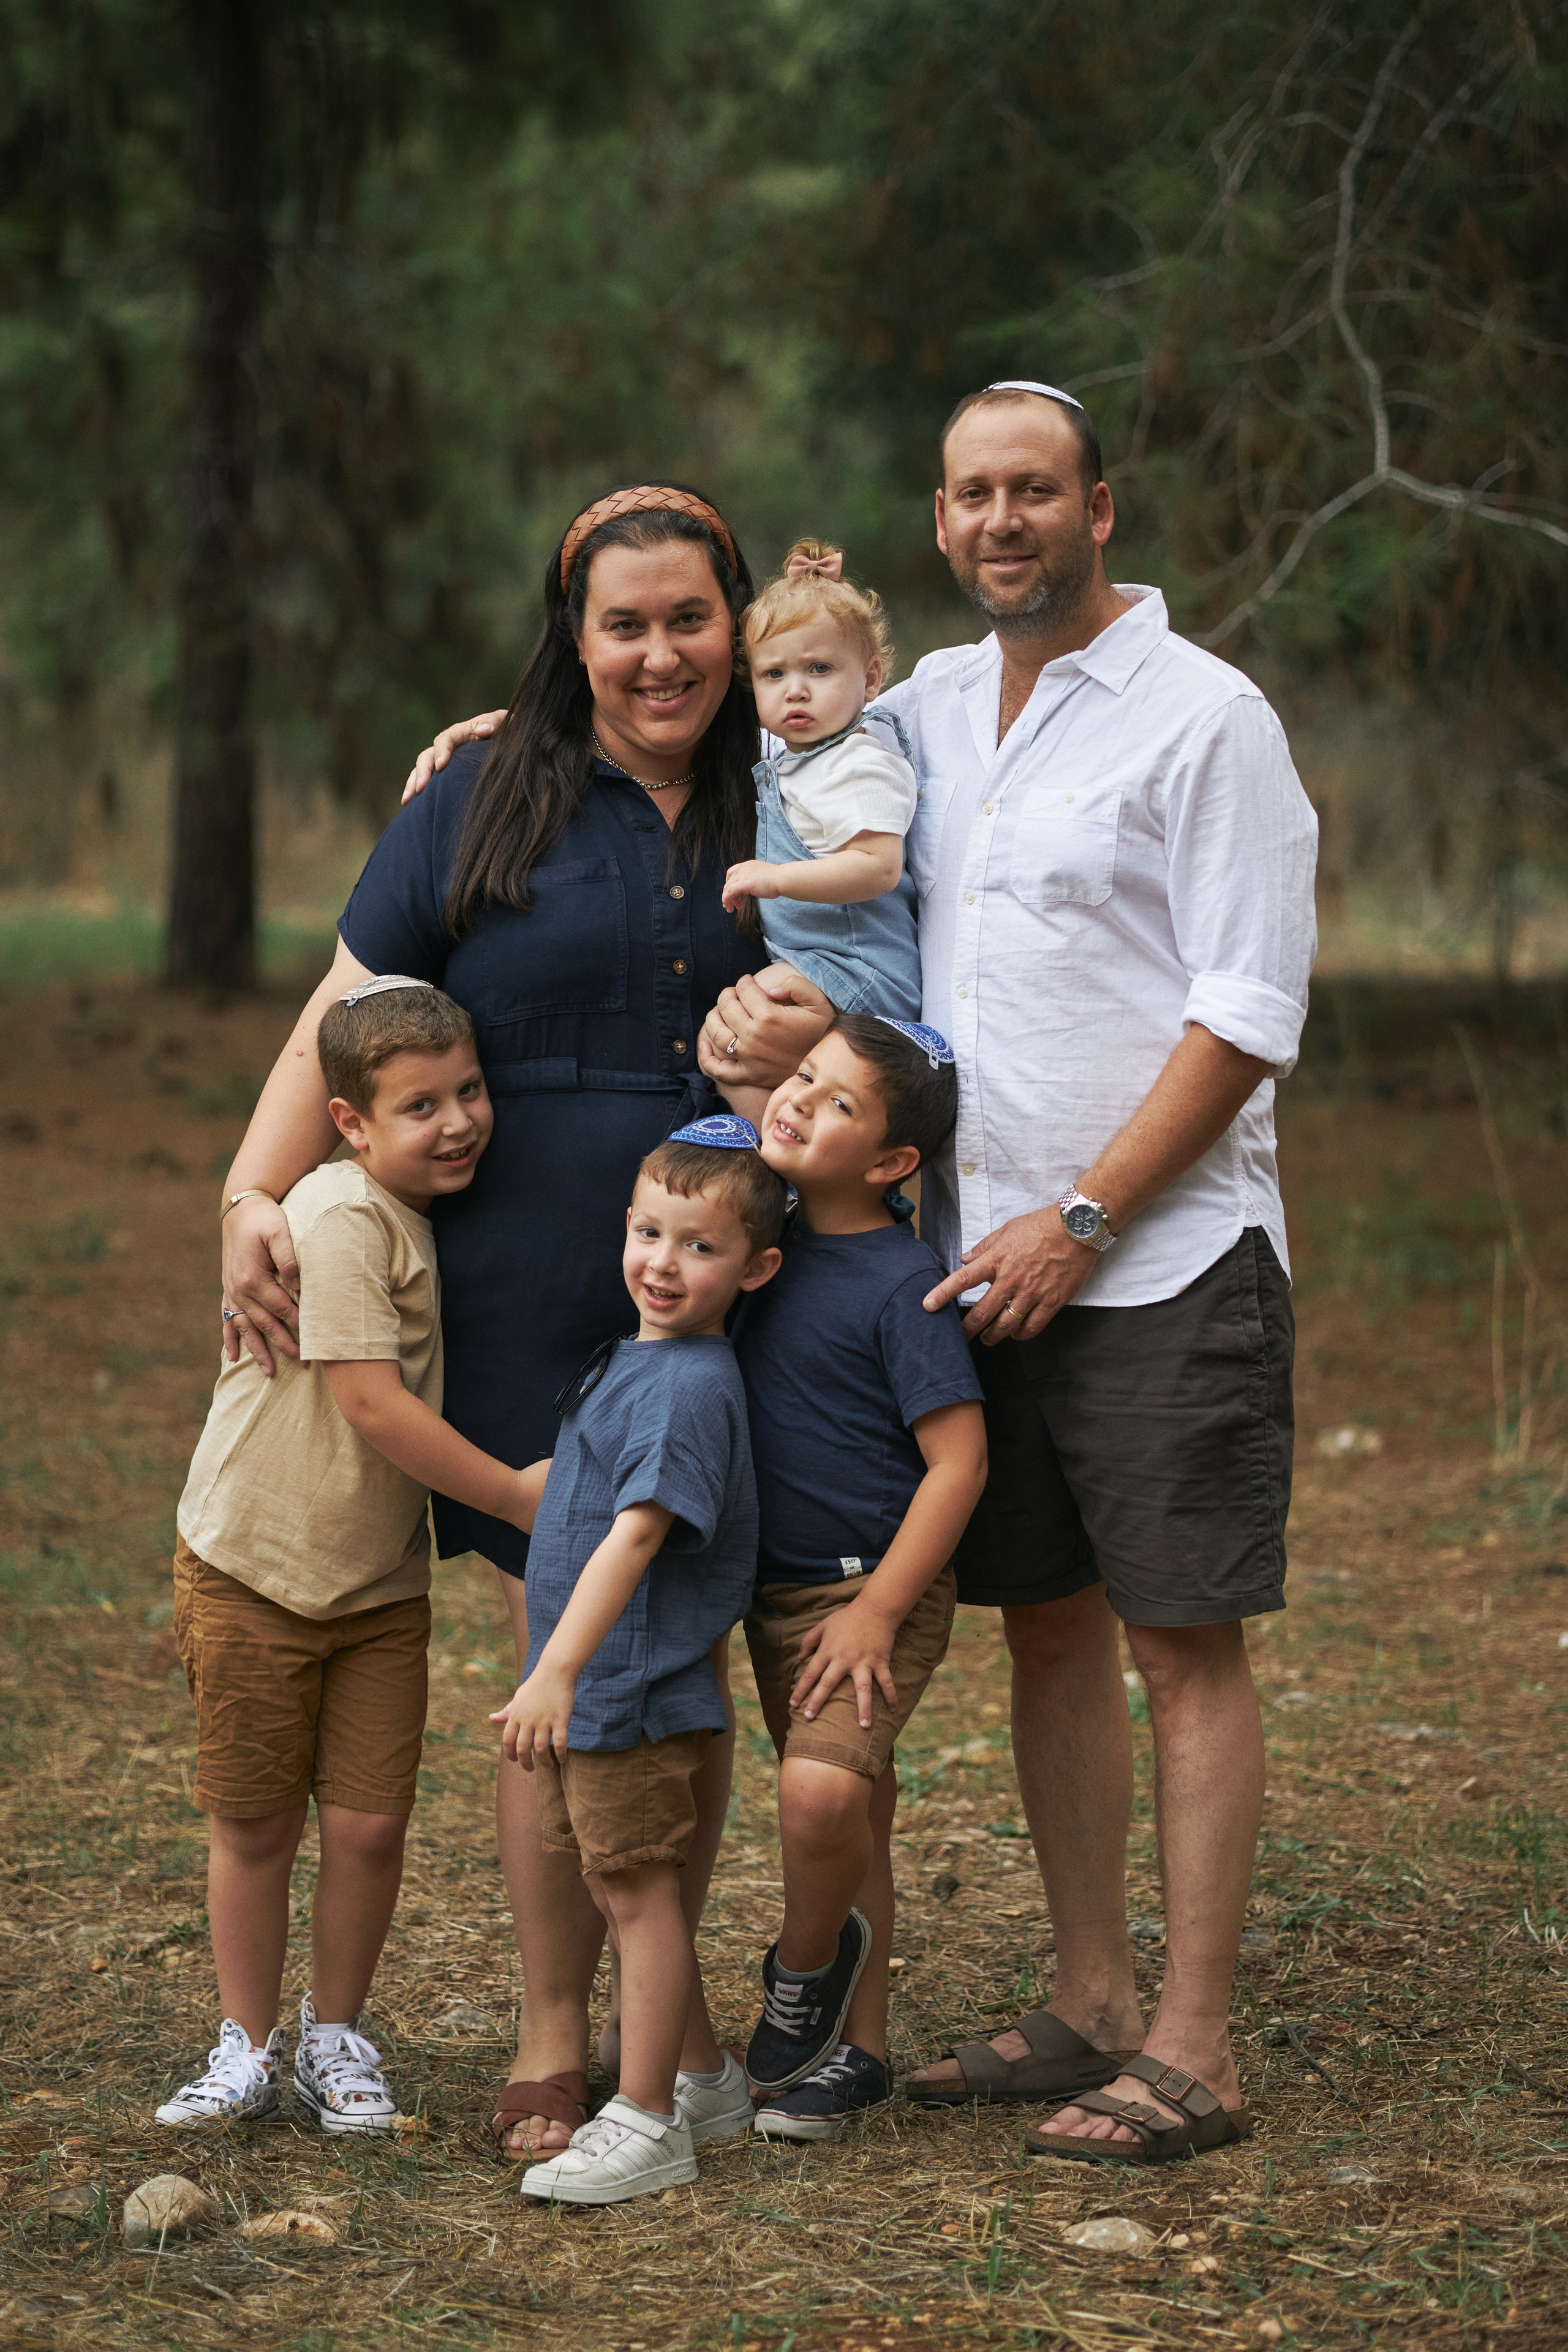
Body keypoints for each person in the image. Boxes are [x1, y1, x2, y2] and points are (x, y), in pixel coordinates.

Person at [404, 376, 1319, 2165]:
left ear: (1097, 509)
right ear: (942, 513)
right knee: (1048, 1625)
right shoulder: (934, 713)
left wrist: (1085, 1217)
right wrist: (501, 728)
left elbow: (1244, 1011)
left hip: (1142, 1256)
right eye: (972, 492)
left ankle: (1193, 2039)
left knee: (1180, 1640)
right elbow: (753, 693)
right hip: (956, 1257)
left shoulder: (1207, 720)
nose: (1000, 520)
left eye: (1034, 491)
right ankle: (1086, 2000)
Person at [218, 482, 834, 2162]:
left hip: (727, 1285)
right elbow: (346, 1014)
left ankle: (689, 2032)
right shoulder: (480, 795)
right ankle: (561, 2036)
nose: (661, 654)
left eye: (689, 619)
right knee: (557, 1655)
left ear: (734, 622)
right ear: (574, 639)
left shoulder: (806, 787)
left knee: (684, 1661)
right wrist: (247, 1195)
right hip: (511, 1290)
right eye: (622, 625)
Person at [160, 979, 548, 2132]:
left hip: (377, 1582)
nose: (459, 1121)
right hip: (257, 1565)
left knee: (373, 1823)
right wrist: (516, 1495)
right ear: (349, 1122)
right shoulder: (335, 1217)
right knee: (258, 1819)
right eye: (419, 1105)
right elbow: (372, 1406)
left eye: (469, 1091)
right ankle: (245, 2041)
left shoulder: (427, 1216)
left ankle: (337, 2033)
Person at [494, 1120, 785, 2203]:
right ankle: (703, 2076)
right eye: (647, 1232)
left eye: (697, 1247)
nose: (662, 1263)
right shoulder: (636, 1359)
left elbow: (643, 1531)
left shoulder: (686, 1385)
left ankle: (651, 2118)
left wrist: (555, 1667)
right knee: (620, 1888)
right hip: (602, 1683)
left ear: (755, 1268)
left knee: (638, 1891)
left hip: (631, 1684)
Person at [734, 1014, 987, 2140]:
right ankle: (860, 2057)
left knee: (823, 1794)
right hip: (766, 1589)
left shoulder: (903, 1282)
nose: (798, 1099)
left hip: (864, 1593)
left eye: (838, 1102)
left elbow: (960, 1461)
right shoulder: (753, 1241)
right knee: (855, 1817)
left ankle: (805, 1962)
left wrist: (881, 1608)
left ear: (893, 1164)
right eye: (803, 1077)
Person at [720, 541, 922, 1090]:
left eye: (819, 668)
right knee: (733, 1046)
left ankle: (786, 1170)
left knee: (743, 1032)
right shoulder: (800, 758)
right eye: (774, 674)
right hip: (826, 967)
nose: (797, 691)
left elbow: (877, 867)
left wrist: (780, 879)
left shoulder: (859, 763)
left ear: (872, 678)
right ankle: (783, 1166)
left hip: (861, 974)